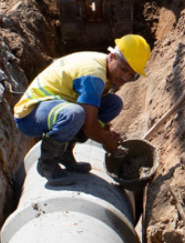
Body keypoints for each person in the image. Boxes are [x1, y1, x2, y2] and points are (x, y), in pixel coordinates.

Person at [12, 34, 149, 179]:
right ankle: (47, 164)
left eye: (130, 74)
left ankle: (64, 153)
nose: (124, 77)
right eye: (123, 69)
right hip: (31, 114)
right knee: (74, 114)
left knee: (113, 104)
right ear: (112, 57)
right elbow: (89, 126)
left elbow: (91, 107)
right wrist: (108, 144)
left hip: (55, 107)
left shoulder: (104, 68)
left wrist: (107, 128)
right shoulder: (94, 75)